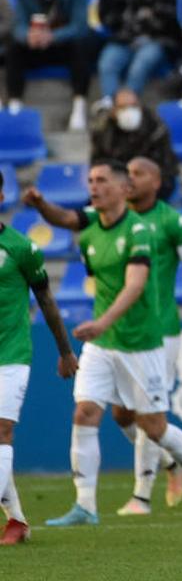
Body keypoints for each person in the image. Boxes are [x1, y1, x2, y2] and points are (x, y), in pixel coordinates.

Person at [24, 158, 182, 516]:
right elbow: (66, 219)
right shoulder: (92, 222)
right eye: (90, 180)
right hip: (103, 341)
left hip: (144, 338)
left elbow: (137, 285)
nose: (93, 186)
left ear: (124, 188)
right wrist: (41, 204)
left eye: (102, 180)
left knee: (153, 425)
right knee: (87, 411)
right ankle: (85, 505)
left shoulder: (145, 230)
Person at [0, 168, 78, 546]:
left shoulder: (21, 249)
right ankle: (16, 520)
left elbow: (46, 300)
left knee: (2, 431)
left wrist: (64, 351)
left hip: (11, 353)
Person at [8, 0, 96, 131]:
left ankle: (79, 104)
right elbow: (18, 25)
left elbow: (80, 26)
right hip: (36, 47)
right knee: (14, 48)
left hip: (62, 46)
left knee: (81, 47)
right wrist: (28, 36)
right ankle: (14, 104)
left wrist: (53, 36)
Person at [89, 88, 180, 201]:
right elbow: (98, 165)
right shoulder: (103, 132)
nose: (129, 111)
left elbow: (166, 167)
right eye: (123, 107)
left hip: (154, 190)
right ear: (113, 110)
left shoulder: (156, 128)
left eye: (134, 106)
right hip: (115, 189)